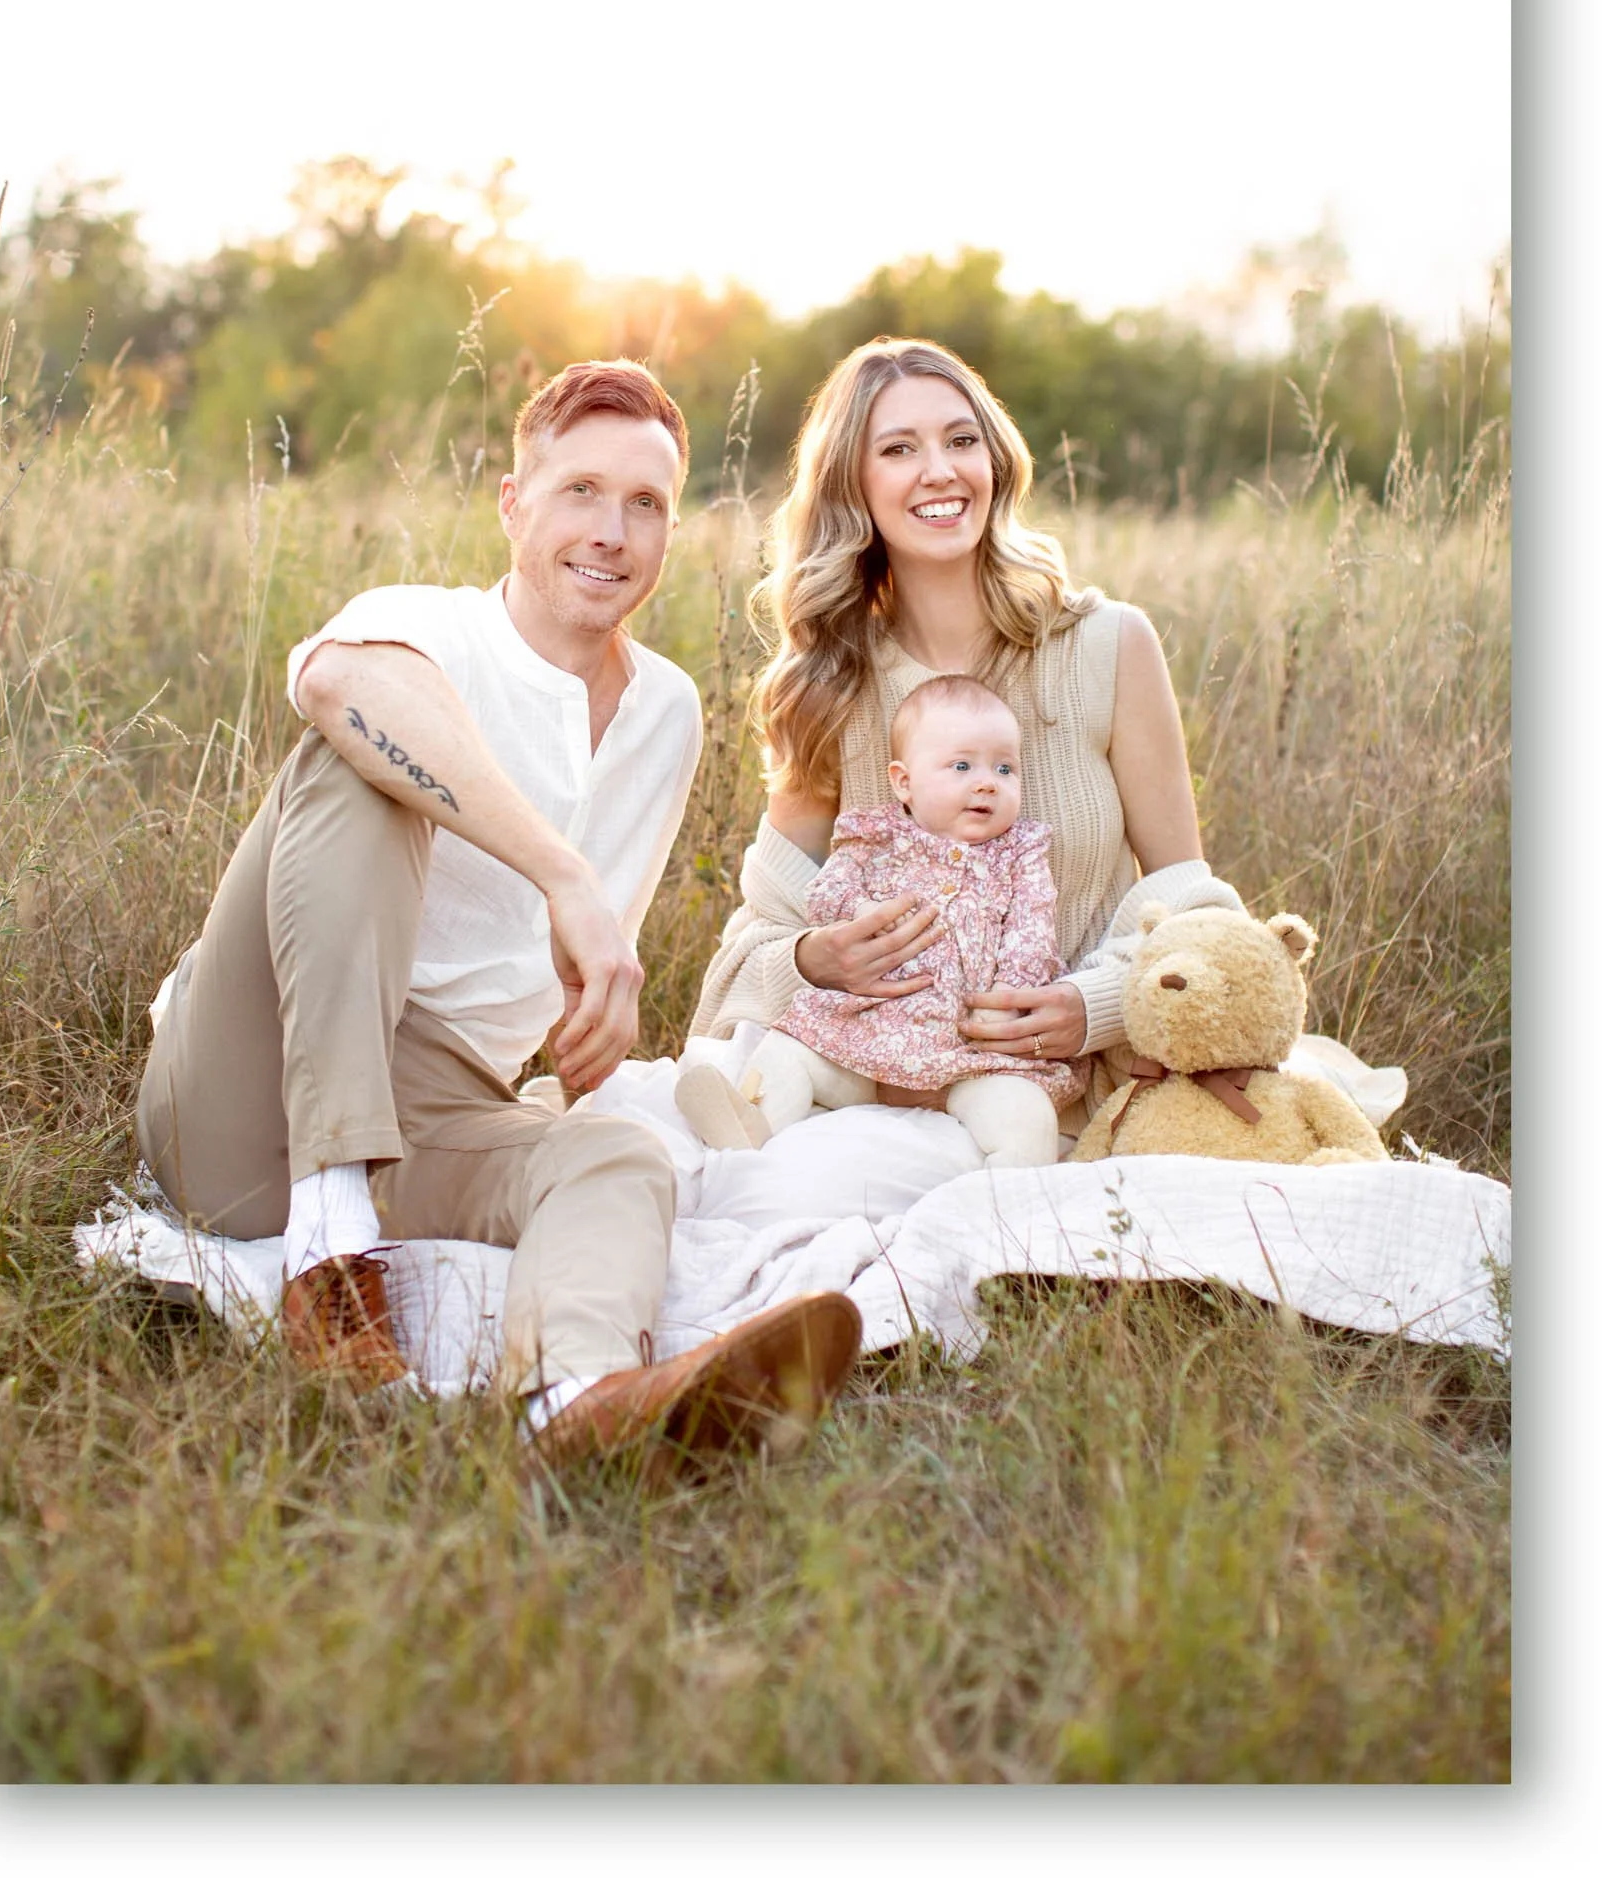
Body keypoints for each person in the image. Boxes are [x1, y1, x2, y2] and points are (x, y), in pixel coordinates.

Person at [134, 358, 863, 1468]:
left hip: (436, 1109)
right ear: (514, 505)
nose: (611, 532)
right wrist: (564, 877)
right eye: (579, 491)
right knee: (362, 767)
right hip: (249, 1082)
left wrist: (584, 1025)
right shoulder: (428, 632)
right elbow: (338, 691)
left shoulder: (666, 710)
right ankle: (329, 1249)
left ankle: (574, 1401)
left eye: (645, 504)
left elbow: (556, 968)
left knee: (621, 1159)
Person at [586, 335, 1265, 1229]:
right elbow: (750, 950)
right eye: (898, 449)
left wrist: (1088, 1008)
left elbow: (1196, 910)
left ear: (996, 458)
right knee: (714, 1179)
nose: (939, 471)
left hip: (1046, 1092)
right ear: (852, 488)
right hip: (880, 1085)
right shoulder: (827, 685)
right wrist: (811, 959)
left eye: (961, 439)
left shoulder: (1108, 646)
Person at [672, 673, 1087, 1165]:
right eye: (961, 766)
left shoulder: (1019, 852)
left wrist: (1008, 998)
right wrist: (858, 912)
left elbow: (1031, 932)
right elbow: (827, 890)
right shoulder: (875, 838)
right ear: (904, 782)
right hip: (866, 1038)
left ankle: (997, 1200)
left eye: (1005, 769)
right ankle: (750, 1123)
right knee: (791, 1051)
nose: (986, 782)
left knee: (1026, 1115)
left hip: (972, 1055)